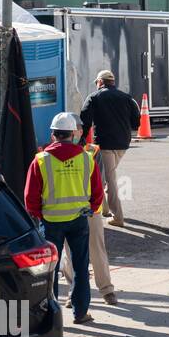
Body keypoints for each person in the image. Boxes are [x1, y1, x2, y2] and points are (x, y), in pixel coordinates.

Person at [24, 112, 105, 324]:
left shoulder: (40, 160)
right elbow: (98, 192)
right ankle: (80, 313)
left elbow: (30, 197)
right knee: (80, 266)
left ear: (53, 135)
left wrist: (40, 215)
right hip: (79, 220)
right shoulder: (87, 158)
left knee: (49, 271)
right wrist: (91, 209)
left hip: (50, 223)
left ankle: (51, 315)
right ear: (73, 134)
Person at [60, 121, 118, 306]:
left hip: (88, 211)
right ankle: (74, 291)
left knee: (96, 251)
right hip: (69, 211)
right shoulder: (51, 153)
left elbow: (99, 184)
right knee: (69, 254)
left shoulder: (92, 151)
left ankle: (106, 290)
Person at [79, 69, 140, 227]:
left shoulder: (94, 97)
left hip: (105, 144)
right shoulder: (126, 97)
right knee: (102, 176)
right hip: (123, 144)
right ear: (113, 82)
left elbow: (85, 120)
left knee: (110, 179)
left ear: (100, 82)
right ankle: (104, 208)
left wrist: (80, 141)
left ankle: (117, 217)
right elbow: (136, 122)